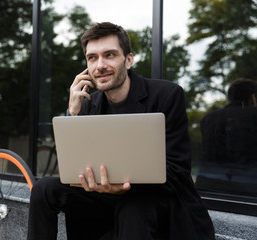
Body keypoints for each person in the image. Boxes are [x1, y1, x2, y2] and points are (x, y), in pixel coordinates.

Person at [27, 22, 215, 240]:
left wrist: (124, 186)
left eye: (109, 55)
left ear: (128, 60)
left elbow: (177, 170)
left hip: (158, 200)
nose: (100, 65)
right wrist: (72, 114)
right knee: (43, 189)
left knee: (133, 205)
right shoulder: (88, 104)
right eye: (92, 58)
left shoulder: (167, 95)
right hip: (105, 198)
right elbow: (74, 169)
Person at [196, 78, 257, 196]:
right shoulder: (253, 116)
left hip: (207, 187)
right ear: (252, 97)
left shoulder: (208, 119)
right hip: (247, 190)